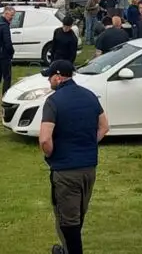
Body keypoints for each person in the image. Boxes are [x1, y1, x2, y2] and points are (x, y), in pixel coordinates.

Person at [38, 59, 108, 254]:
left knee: (68, 223)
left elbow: (45, 139)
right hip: (89, 169)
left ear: (58, 77)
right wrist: (88, 144)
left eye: (50, 77)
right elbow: (104, 126)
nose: (49, 82)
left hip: (66, 171)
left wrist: (53, 153)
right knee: (78, 216)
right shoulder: (90, 96)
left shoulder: (53, 102)